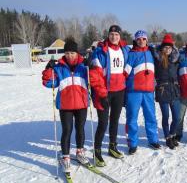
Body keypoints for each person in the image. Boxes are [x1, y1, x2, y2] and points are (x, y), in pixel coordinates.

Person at [42, 39, 89, 172]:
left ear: (77, 53)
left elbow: (95, 77)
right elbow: (49, 83)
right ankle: (66, 157)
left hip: (81, 103)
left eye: (72, 53)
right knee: (67, 130)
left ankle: (80, 152)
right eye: (67, 53)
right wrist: (48, 70)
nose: (70, 55)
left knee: (80, 129)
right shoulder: (59, 67)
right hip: (65, 105)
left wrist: (90, 65)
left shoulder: (83, 66)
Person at [89, 25, 130, 166]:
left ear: (120, 36)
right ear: (108, 35)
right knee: (103, 122)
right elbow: (95, 75)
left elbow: (128, 66)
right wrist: (101, 94)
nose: (114, 37)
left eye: (116, 35)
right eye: (111, 34)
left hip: (120, 91)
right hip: (104, 92)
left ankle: (112, 146)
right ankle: (97, 151)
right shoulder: (100, 52)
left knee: (115, 120)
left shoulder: (124, 50)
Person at [124, 30, 160, 155]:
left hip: (148, 91)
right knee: (132, 118)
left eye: (143, 39)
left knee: (151, 116)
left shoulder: (151, 53)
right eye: (138, 39)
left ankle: (153, 139)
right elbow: (125, 73)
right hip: (134, 92)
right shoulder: (132, 54)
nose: (141, 41)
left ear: (147, 40)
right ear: (135, 40)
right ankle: (133, 143)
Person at [151, 34, 180, 149]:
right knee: (166, 116)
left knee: (177, 117)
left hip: (174, 90)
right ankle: (167, 138)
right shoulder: (157, 59)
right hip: (162, 90)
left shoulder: (175, 59)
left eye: (170, 47)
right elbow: (149, 49)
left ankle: (172, 135)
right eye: (165, 47)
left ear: (172, 48)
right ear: (162, 48)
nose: (167, 49)